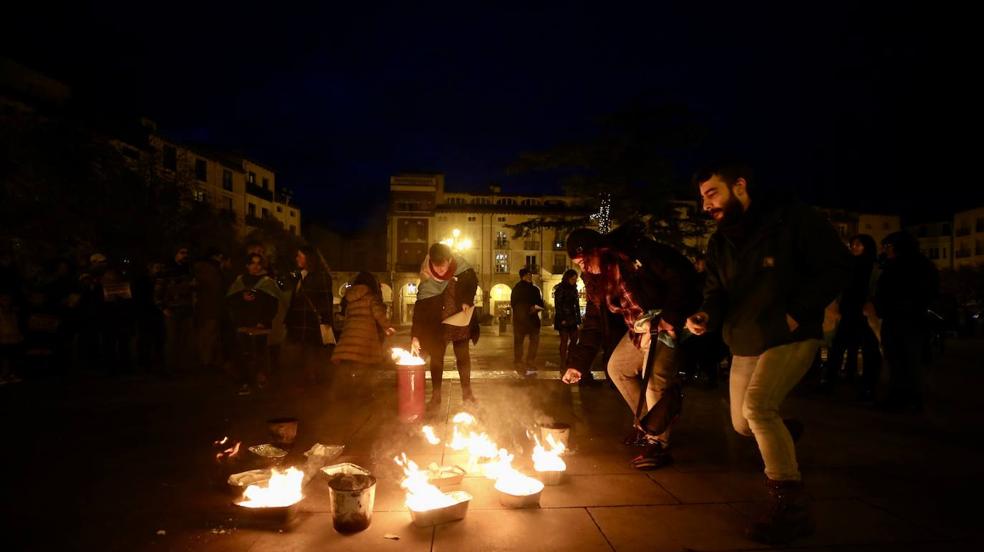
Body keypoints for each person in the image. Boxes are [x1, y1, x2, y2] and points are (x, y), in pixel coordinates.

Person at [686, 160, 851, 544]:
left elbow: (837, 267)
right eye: (702, 199)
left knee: (758, 409)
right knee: (744, 424)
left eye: (712, 193)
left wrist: (797, 315)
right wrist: (704, 314)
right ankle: (781, 439)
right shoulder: (719, 242)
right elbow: (715, 293)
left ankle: (791, 510)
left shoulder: (792, 220)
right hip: (745, 340)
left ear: (739, 185)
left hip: (791, 334)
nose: (706, 205)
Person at [562, 222, 702, 471]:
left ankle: (659, 444)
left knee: (655, 381)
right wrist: (577, 364)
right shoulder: (595, 281)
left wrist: (671, 315)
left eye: (585, 261)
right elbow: (593, 323)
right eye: (579, 266)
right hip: (637, 330)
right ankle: (650, 425)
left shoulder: (635, 255)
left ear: (599, 249)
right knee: (617, 368)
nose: (584, 268)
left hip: (664, 323)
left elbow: (681, 274)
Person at [874, 231, 939, 412]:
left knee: (904, 361)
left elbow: (888, 291)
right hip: (906, 318)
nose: (885, 250)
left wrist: (890, 306)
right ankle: (906, 398)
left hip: (905, 319)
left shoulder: (901, 267)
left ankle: (907, 399)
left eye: (888, 247)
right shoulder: (922, 265)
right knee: (903, 360)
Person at [410, 243, 480, 406]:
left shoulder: (463, 269)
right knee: (436, 359)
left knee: (463, 357)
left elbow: (472, 284)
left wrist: (466, 300)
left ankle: (467, 394)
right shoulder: (427, 278)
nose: (440, 269)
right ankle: (436, 396)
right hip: (437, 324)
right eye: (436, 265)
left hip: (459, 321)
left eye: (443, 265)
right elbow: (420, 309)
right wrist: (415, 335)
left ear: (450, 260)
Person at [226, 253, 280, 395]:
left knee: (260, 352)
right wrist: (241, 296)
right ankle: (245, 382)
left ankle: (260, 377)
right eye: (252, 263)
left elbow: (273, 305)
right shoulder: (240, 281)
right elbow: (230, 301)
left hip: (260, 324)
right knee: (244, 353)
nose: (255, 266)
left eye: (258, 263)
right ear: (247, 265)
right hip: (243, 323)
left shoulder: (267, 282)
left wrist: (264, 321)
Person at [284, 246, 334, 386]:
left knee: (311, 353)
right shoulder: (300, 275)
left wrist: (326, 321)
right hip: (299, 323)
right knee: (300, 354)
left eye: (300, 256)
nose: (297, 258)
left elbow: (326, 299)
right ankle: (304, 381)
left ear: (309, 258)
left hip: (311, 323)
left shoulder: (321, 276)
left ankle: (312, 383)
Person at [332, 271, 396, 369]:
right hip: (364, 341)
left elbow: (346, 317)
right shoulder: (371, 298)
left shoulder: (349, 299)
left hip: (348, 341)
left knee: (348, 371)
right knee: (363, 372)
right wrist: (389, 327)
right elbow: (379, 314)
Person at [511, 267, 544, 376]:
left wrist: (536, 307)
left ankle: (529, 360)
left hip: (532, 320)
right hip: (521, 320)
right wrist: (525, 310)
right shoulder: (517, 288)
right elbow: (514, 304)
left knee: (534, 342)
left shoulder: (535, 289)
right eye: (528, 275)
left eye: (530, 275)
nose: (530, 277)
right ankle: (518, 361)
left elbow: (540, 303)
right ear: (523, 276)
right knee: (519, 343)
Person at [552, 269, 581, 370]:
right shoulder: (560, 289)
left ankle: (570, 358)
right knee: (564, 340)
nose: (574, 281)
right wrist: (562, 318)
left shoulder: (574, 289)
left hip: (572, 317)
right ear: (567, 278)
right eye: (573, 279)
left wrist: (578, 320)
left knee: (574, 338)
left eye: (575, 279)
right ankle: (563, 361)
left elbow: (576, 305)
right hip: (563, 318)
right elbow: (558, 305)